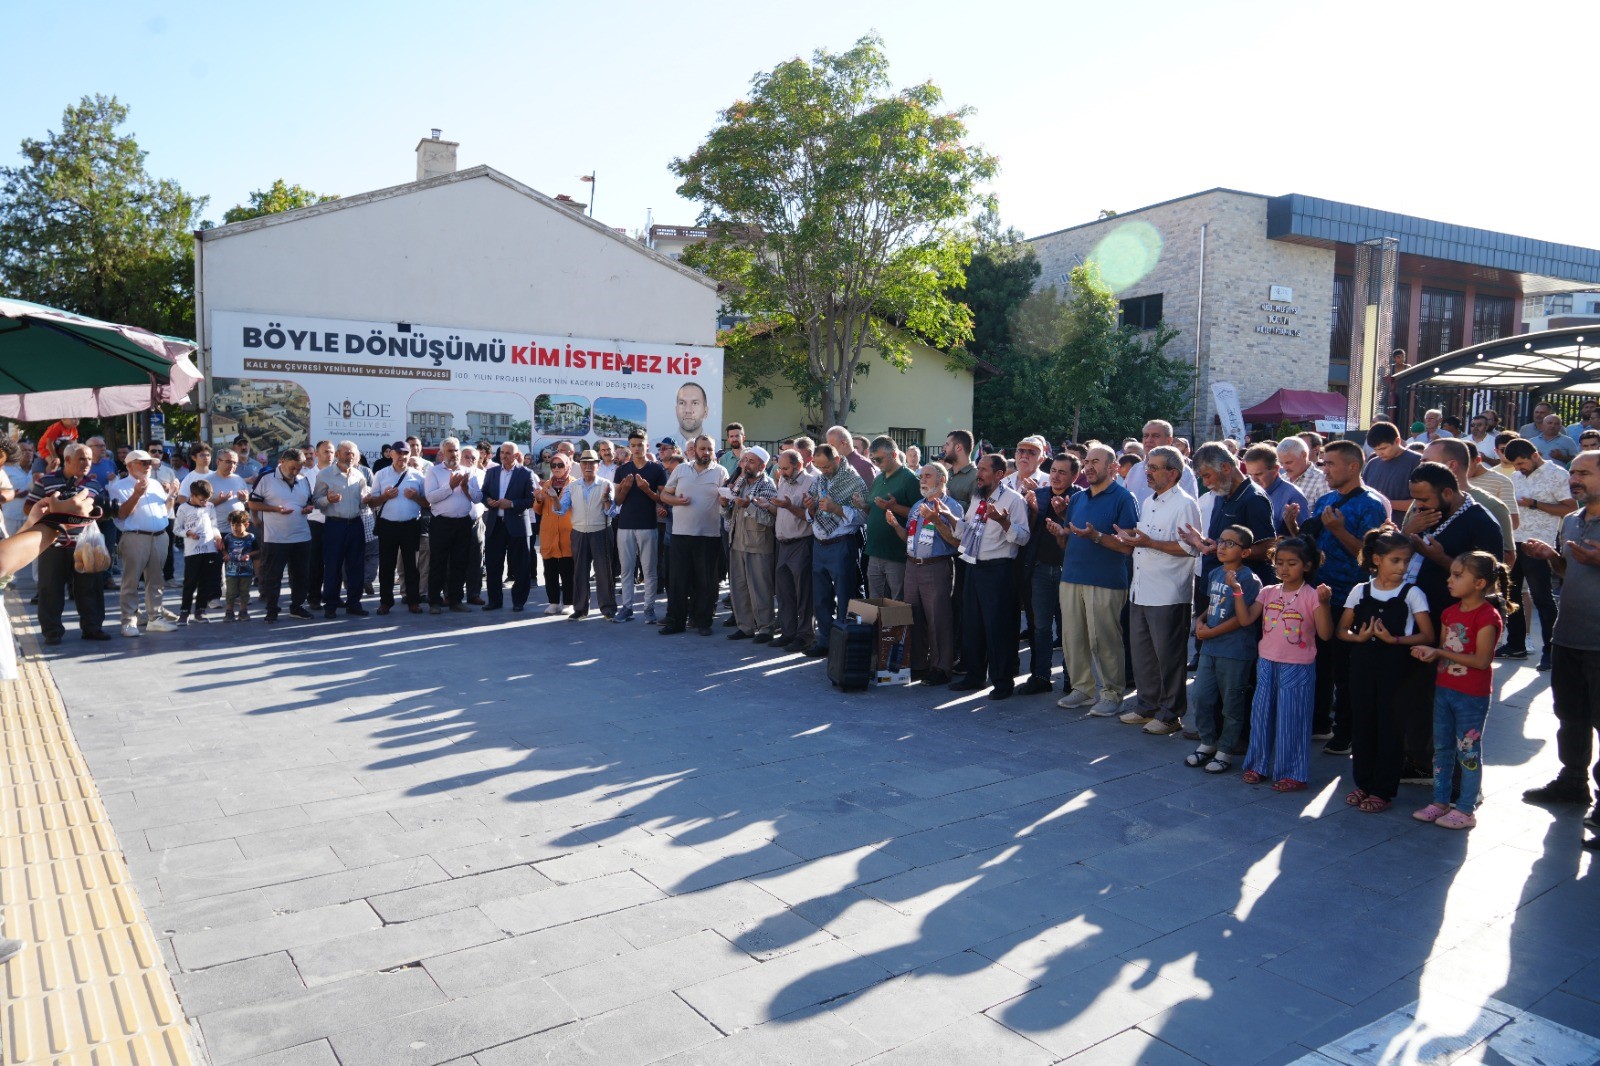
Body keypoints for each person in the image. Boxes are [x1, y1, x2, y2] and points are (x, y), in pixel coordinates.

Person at [1284, 439, 1394, 756]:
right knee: (1316, 662)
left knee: (1344, 669)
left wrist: (1342, 531)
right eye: (1324, 463)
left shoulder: (1371, 504)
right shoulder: (1327, 499)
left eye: (1331, 463)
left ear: (1353, 466)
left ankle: (1345, 731)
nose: (1325, 469)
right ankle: (1319, 722)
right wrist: (1293, 528)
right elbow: (1309, 544)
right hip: (1319, 595)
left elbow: (1372, 558)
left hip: (1351, 600)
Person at [1519, 451, 1600, 814]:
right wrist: (1551, 556)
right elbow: (1569, 572)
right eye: (1572, 473)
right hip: (1568, 635)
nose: (1574, 480)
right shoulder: (1570, 520)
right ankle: (1572, 783)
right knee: (1570, 715)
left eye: (1583, 473)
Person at [1410, 551, 1510, 831]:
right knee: (1441, 748)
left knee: (1467, 751)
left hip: (1472, 695)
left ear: (1479, 583)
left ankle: (1466, 808)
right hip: (1445, 689)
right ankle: (1440, 801)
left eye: (1458, 575)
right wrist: (1430, 653)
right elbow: (1445, 651)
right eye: (1451, 574)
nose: (1449, 580)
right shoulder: (1449, 613)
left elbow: (1481, 660)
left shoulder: (1488, 617)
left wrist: (1439, 651)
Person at [1339, 528, 1434, 814]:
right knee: (1364, 724)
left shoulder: (1412, 593)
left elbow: (1427, 635)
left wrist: (1394, 640)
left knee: (1390, 727)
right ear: (1377, 560)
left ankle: (1383, 789)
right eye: (1396, 561)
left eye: (1407, 561)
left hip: (1395, 666)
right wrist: (1358, 637)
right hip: (1363, 664)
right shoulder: (1360, 591)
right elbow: (1342, 629)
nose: (1403, 567)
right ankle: (1363, 782)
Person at [1109, 445, 1200, 733]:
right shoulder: (1149, 501)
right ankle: (1147, 706)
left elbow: (1189, 548)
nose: (1147, 472)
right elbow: (1148, 537)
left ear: (1172, 473)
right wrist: (1132, 538)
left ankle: (1171, 714)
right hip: (1142, 588)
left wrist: (1147, 543)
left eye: (1154, 467)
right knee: (1143, 654)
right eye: (1148, 466)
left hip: (1169, 592)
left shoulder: (1185, 504)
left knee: (1169, 657)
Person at [1236, 537, 1333, 792]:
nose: (1284, 569)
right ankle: (1257, 765)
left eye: (1292, 563)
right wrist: (1237, 591)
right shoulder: (1267, 592)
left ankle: (1293, 772)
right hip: (1267, 662)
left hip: (1298, 666)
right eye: (1279, 563)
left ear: (1307, 566)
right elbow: (1246, 619)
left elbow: (1325, 634)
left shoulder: (1312, 595)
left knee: (1293, 719)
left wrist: (1324, 604)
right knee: (1261, 716)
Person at [1055, 444, 1139, 716]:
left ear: (1113, 467)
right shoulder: (1078, 498)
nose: (1089, 467)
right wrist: (1060, 531)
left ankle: (1113, 693)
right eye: (1087, 461)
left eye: (1096, 462)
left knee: (1104, 640)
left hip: (1105, 580)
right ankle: (1083, 688)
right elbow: (1069, 539)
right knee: (1073, 637)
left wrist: (1097, 537)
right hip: (1071, 576)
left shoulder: (1124, 498)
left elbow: (1128, 546)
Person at [950, 453, 1031, 699]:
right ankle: (974, 676)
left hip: (998, 570)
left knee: (998, 628)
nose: (979, 474)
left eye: (985, 470)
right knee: (972, 624)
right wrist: (946, 516)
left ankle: (1003, 682)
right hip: (973, 565)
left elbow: (1023, 537)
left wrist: (1004, 522)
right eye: (979, 469)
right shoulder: (977, 498)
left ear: (999, 474)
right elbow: (967, 530)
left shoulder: (1013, 500)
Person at [1184, 526, 1262, 775]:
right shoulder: (1216, 572)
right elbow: (1213, 605)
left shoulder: (1249, 579)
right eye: (1221, 541)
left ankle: (1225, 749)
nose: (1222, 547)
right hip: (1211, 646)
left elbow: (1242, 619)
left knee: (1232, 702)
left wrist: (1210, 632)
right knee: (1201, 696)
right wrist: (1201, 620)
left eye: (1231, 543)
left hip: (1234, 650)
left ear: (1246, 552)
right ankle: (1207, 741)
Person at [1502, 437, 1576, 670]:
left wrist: (1535, 504)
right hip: (1516, 542)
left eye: (1522, 463)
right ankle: (1515, 644)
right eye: (1515, 465)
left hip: (1540, 546)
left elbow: (1570, 508)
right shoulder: (1516, 477)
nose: (1518, 468)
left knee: (1542, 598)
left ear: (1535, 456)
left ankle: (1551, 651)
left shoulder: (1557, 474)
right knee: (1510, 595)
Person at [886, 461, 963, 684]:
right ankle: (919, 664)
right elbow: (908, 539)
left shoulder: (952, 507)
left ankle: (941, 667)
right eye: (921, 476)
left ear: (942, 480)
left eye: (928, 476)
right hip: (912, 566)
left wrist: (937, 520)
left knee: (938, 619)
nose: (922, 480)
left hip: (936, 566)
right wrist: (895, 526)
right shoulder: (917, 506)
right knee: (914, 617)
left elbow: (956, 542)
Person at [27, 442, 111, 644]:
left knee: (90, 588)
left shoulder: (94, 484)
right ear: (67, 460)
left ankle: (92, 628)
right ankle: (52, 632)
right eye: (82, 458)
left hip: (85, 545)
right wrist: (53, 510)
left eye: (90, 459)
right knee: (50, 589)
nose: (87, 463)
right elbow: (28, 507)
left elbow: (102, 513)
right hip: (52, 544)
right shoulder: (46, 481)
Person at [1018, 453, 1077, 696]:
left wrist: (1065, 521)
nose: (1056, 476)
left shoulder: (1079, 499)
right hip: (1040, 569)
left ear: (1074, 476)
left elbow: (1081, 536)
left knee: (1069, 629)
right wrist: (1032, 511)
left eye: (1063, 472)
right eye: (1053, 470)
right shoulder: (1039, 496)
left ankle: (1072, 679)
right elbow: (1027, 534)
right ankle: (1040, 676)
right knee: (1040, 627)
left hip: (1070, 572)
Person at [800, 443, 866, 654]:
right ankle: (824, 642)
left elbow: (864, 516)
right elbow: (809, 514)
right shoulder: (819, 480)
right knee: (821, 597)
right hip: (819, 544)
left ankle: (843, 644)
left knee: (845, 596)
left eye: (827, 467)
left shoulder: (854, 481)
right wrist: (809, 508)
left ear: (837, 460)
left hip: (842, 544)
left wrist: (836, 508)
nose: (824, 471)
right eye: (820, 467)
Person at [659, 434, 727, 636]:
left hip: (708, 536)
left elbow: (727, 499)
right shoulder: (681, 469)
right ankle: (675, 621)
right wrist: (676, 501)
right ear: (694, 450)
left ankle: (703, 622)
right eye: (702, 448)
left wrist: (725, 502)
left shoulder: (720, 472)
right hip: (680, 534)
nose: (706, 452)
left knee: (706, 582)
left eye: (709, 449)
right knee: (678, 581)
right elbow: (664, 495)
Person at [108, 448, 178, 637]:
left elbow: (164, 510)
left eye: (149, 463)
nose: (148, 466)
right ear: (130, 465)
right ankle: (129, 620)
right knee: (131, 581)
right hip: (135, 536)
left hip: (159, 535)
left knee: (156, 580)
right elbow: (121, 514)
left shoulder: (155, 484)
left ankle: (155, 618)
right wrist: (137, 494)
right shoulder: (119, 487)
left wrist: (171, 495)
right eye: (143, 462)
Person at [247, 448, 315, 623]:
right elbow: (252, 503)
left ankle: (297, 606)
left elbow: (308, 501)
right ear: (282, 462)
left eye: (298, 468)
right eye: (292, 468)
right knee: (272, 575)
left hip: (301, 536)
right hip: (275, 538)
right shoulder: (267, 478)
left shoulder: (303, 479)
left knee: (301, 575)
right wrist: (275, 509)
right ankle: (272, 609)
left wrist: (309, 508)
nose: (295, 472)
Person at [423, 437, 481, 614]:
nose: (454, 454)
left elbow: (478, 497)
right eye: (450, 450)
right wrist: (450, 486)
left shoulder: (468, 471)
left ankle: (456, 600)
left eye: (456, 450)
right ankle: (434, 601)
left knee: (460, 563)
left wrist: (465, 488)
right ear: (442, 453)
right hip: (442, 523)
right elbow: (430, 498)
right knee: (438, 562)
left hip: (463, 523)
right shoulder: (434, 472)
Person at [313, 441, 371, 618]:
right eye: (346, 453)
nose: (350, 457)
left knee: (356, 567)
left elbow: (361, 504)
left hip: (355, 524)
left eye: (353, 454)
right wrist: (328, 500)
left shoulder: (359, 475)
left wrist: (367, 499)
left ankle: (354, 603)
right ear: (337, 454)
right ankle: (330, 605)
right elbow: (316, 500)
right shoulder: (325, 475)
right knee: (333, 566)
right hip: (334, 525)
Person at [368, 441, 427, 615]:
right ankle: (385, 602)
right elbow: (372, 502)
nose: (402, 456)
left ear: (410, 456)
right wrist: (384, 497)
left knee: (411, 566)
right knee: (386, 566)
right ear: (391, 454)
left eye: (405, 453)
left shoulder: (418, 476)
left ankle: (413, 601)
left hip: (410, 525)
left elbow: (427, 503)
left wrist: (416, 497)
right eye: (398, 453)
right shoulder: (381, 474)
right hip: (388, 525)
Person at [725, 447, 777, 641]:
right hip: (737, 542)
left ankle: (765, 628)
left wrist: (750, 506)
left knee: (760, 589)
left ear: (763, 466)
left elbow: (770, 519)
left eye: (751, 461)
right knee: (739, 588)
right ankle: (745, 626)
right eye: (744, 460)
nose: (746, 465)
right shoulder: (739, 483)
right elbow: (729, 514)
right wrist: (724, 504)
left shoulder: (768, 485)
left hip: (758, 544)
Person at [556, 449, 616, 621]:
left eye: (592, 463)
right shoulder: (572, 486)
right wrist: (554, 498)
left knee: (604, 572)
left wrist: (606, 500)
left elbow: (612, 513)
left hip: (601, 532)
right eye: (585, 463)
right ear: (580, 465)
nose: (588, 466)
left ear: (598, 465)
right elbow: (560, 510)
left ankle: (608, 608)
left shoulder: (606, 484)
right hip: (579, 532)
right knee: (580, 571)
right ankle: (580, 609)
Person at [613, 431, 665, 623]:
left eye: (640, 444)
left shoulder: (657, 470)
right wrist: (625, 489)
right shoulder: (622, 470)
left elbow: (662, 499)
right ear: (629, 446)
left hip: (648, 525)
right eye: (633, 445)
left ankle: (649, 608)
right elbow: (617, 501)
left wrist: (646, 490)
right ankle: (627, 607)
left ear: (647, 445)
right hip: (625, 525)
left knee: (649, 569)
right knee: (626, 570)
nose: (637, 448)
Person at [481, 441, 537, 613]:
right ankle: (494, 600)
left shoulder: (526, 473)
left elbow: (531, 500)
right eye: (502, 452)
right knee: (493, 565)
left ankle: (518, 601)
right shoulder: (491, 472)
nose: (504, 456)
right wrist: (488, 501)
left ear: (515, 455)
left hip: (517, 526)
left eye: (507, 453)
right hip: (495, 525)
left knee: (520, 566)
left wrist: (512, 504)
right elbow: (484, 493)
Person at [769, 448, 816, 651]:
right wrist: (767, 505)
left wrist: (788, 507)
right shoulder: (782, 481)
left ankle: (804, 635)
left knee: (803, 592)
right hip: (782, 543)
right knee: (784, 592)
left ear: (799, 465)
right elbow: (781, 509)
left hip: (801, 543)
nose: (782, 472)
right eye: (780, 468)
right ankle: (788, 632)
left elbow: (809, 515)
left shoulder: (811, 482)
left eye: (786, 468)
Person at [864, 436, 919, 601]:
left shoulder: (909, 479)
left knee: (897, 602)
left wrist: (893, 507)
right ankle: (878, 629)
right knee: (875, 601)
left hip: (896, 554)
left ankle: (898, 629)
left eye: (879, 459)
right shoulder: (879, 478)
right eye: (873, 459)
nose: (875, 463)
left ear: (894, 455)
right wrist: (863, 505)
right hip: (874, 551)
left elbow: (920, 514)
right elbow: (874, 510)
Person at [175, 478, 224, 624]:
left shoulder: (209, 506)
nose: (204, 503)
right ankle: (184, 612)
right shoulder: (183, 508)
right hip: (192, 551)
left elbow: (214, 524)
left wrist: (218, 536)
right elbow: (177, 529)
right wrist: (188, 533)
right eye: (201, 500)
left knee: (206, 580)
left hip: (209, 548)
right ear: (193, 495)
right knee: (190, 581)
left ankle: (200, 611)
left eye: (206, 500)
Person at [534, 455, 575, 615]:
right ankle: (553, 602)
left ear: (567, 466)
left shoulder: (574, 484)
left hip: (568, 532)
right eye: (553, 465)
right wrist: (538, 499)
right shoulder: (546, 485)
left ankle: (568, 603)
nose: (556, 468)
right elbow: (538, 509)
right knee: (549, 570)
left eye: (560, 465)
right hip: (549, 533)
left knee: (567, 570)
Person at [1123, 420, 1199, 505]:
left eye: (1156, 436)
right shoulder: (1135, 470)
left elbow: (1188, 507)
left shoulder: (1183, 472)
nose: (1149, 440)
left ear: (1169, 441)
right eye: (1146, 436)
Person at [1242, 444, 1309, 537]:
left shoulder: (1293, 496)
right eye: (1250, 475)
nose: (1254, 480)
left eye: (1259, 474)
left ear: (1276, 469)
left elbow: (1305, 540)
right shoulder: (1247, 492)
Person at [1363, 421, 1420, 516]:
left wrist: (1385, 502)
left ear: (1397, 441)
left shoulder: (1417, 461)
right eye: (1375, 449)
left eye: (1383, 448)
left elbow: (1423, 502)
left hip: (1402, 527)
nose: (1378, 453)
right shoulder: (1372, 463)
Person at [221, 509, 257, 621]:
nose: (235, 528)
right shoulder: (228, 537)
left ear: (246, 525)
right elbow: (223, 549)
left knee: (244, 592)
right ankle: (229, 612)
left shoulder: (251, 538)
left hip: (246, 570)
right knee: (231, 592)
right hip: (231, 570)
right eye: (233, 525)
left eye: (238, 525)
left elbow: (258, 551)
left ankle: (243, 611)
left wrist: (249, 555)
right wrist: (226, 555)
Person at [1278, 435, 1329, 506]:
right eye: (1281, 463)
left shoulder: (1322, 480)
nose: (1284, 467)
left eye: (1289, 462)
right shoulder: (1282, 479)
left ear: (1303, 455)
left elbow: (1323, 514)